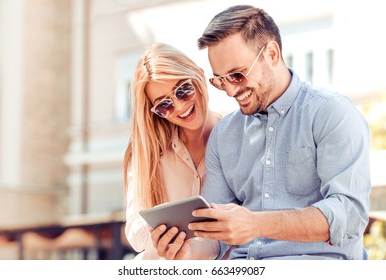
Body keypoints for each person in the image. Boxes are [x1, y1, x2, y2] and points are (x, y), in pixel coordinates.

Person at [151, 5, 371, 260]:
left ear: (272, 53)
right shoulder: (224, 135)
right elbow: (215, 238)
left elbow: (350, 215)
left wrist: (257, 224)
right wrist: (185, 251)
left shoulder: (331, 113)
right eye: (220, 81)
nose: (231, 91)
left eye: (237, 75)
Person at [123, 43, 221, 259]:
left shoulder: (238, 138)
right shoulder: (149, 150)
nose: (179, 107)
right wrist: (159, 230)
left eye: (183, 90)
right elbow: (135, 231)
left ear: (200, 76)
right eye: (164, 105)